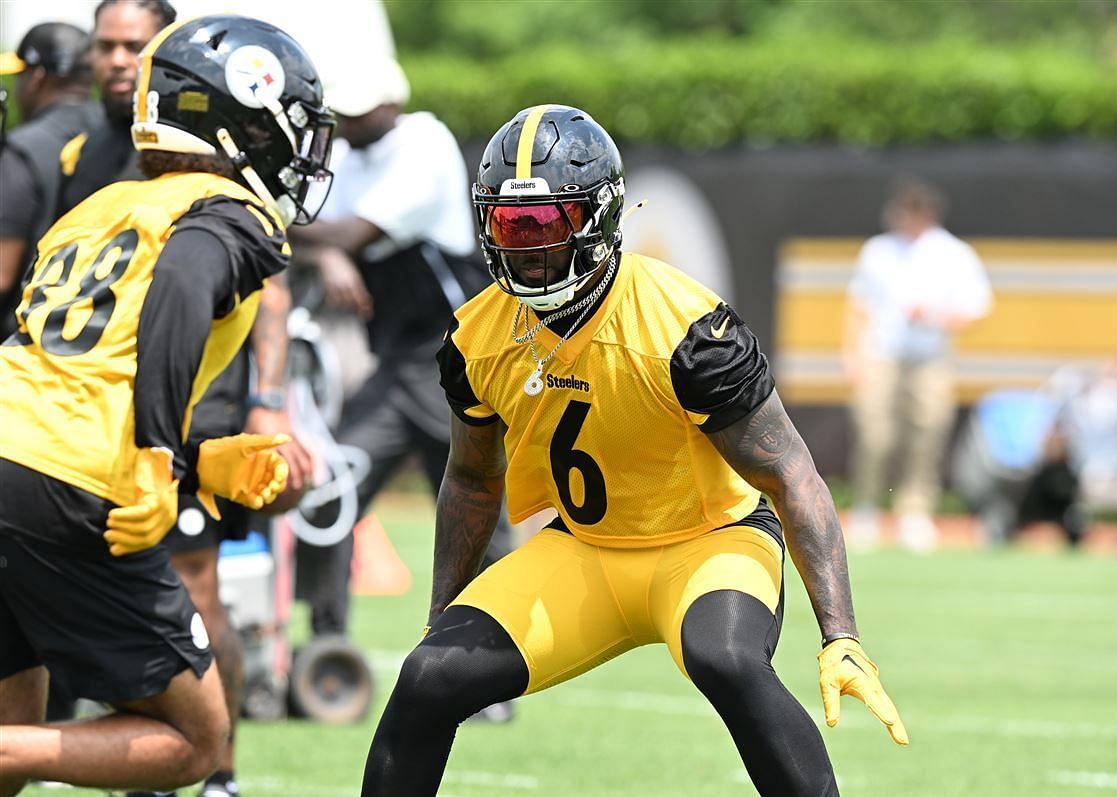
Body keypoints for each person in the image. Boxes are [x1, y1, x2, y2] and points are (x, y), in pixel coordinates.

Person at [359, 105, 907, 797]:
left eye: (544, 224)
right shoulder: (476, 336)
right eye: (507, 224)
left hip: (708, 541)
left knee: (728, 658)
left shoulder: (686, 328)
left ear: (597, 217)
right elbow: (471, 481)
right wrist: (441, 618)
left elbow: (793, 474)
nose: (525, 246)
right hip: (587, 548)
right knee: (427, 676)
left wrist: (841, 634)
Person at [0, 14, 334, 796]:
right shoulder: (229, 211)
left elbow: (70, 363)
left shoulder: (102, 206)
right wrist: (156, 450)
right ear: (242, 120)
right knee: (194, 738)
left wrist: (194, 460)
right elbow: (181, 288)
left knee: (19, 701)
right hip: (71, 480)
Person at [289, 58, 516, 682]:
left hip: (457, 361)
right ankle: (325, 653)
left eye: (361, 108)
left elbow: (344, 233)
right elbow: (292, 229)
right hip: (396, 367)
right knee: (330, 488)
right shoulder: (348, 153)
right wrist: (327, 254)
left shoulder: (424, 144)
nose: (350, 119)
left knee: (481, 506)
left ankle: (493, 666)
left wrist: (333, 252)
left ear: (392, 103)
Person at [842, 177, 992, 551]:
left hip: (930, 359)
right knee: (875, 433)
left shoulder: (954, 254)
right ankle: (866, 507)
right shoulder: (877, 251)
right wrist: (851, 355)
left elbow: (975, 310)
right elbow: (857, 306)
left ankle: (915, 511)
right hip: (881, 354)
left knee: (926, 434)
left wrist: (935, 316)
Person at [0, 21, 100, 340]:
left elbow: (2, 275)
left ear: (37, 77)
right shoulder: (121, 138)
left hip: (27, 348)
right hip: (101, 337)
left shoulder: (23, 148)